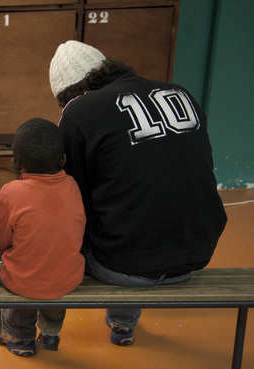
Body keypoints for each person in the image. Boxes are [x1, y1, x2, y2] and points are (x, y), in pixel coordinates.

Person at [49, 40, 227, 345]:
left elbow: (72, 200)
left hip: (123, 266)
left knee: (61, 224)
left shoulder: (79, 112)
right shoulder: (182, 93)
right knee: (134, 203)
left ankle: (39, 331)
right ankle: (123, 325)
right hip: (197, 252)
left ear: (70, 94)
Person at [0, 118, 86, 357]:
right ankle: (51, 331)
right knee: (50, 263)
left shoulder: (11, 192)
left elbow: (1, 243)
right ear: (63, 160)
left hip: (24, 280)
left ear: (16, 162)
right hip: (69, 278)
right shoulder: (73, 185)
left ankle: (18, 336)